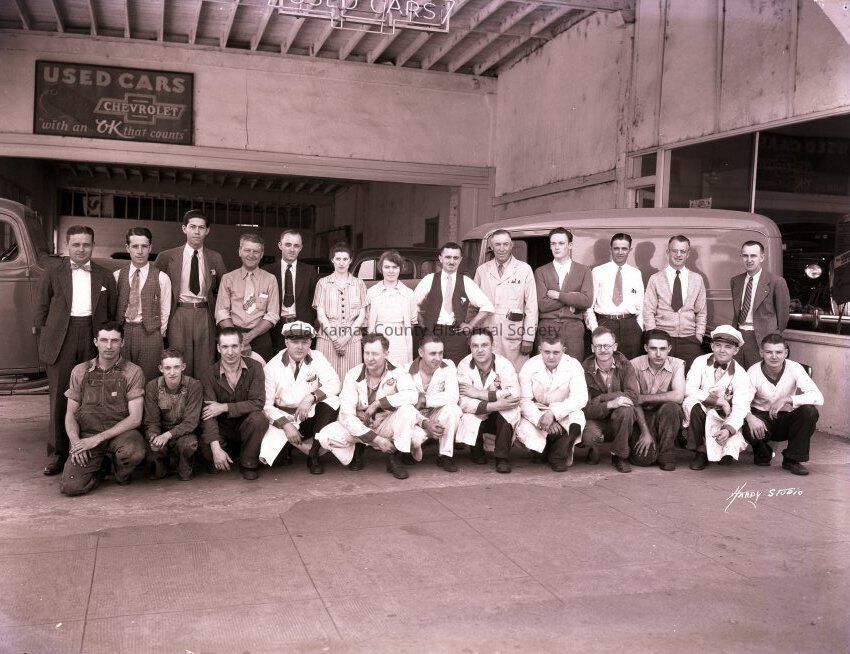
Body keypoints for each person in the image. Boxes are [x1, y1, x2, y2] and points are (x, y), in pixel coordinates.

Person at [36, 225, 117, 476]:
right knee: (60, 398)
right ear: (67, 246)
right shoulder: (52, 273)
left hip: (93, 336)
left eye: (86, 244)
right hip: (62, 338)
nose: (81, 249)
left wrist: (104, 342)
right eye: (76, 244)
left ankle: (95, 453)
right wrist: (47, 343)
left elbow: (112, 312)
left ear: (93, 245)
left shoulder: (105, 276)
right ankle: (57, 455)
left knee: (95, 396)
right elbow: (41, 311)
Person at [316, 333, 421, 479]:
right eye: (367, 353)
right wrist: (376, 439)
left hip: (385, 423)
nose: (370, 358)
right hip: (360, 424)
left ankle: (395, 457)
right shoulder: (353, 374)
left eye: (375, 354)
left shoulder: (398, 371)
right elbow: (346, 414)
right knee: (325, 437)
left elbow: (412, 395)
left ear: (386, 354)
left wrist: (379, 403)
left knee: (411, 420)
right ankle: (356, 451)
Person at [59, 322, 146, 496]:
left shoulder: (133, 372)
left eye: (115, 341)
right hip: (88, 435)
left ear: (122, 343)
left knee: (133, 452)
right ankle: (101, 468)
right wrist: (75, 442)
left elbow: (135, 418)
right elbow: (71, 414)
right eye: (104, 340)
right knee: (71, 487)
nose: (109, 346)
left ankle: (121, 473)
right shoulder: (80, 371)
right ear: (95, 342)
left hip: (120, 434)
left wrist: (99, 438)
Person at [260, 321, 340, 475]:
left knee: (333, 401)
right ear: (286, 342)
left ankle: (314, 453)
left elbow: (334, 383)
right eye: (295, 342)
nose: (300, 347)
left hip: (309, 414)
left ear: (310, 343)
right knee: (276, 461)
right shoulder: (272, 367)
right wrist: (286, 425)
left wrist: (311, 397)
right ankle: (292, 446)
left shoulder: (317, 357)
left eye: (305, 342)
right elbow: (266, 405)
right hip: (285, 416)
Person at [155, 209, 228, 380]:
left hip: (205, 312)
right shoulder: (166, 257)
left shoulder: (215, 257)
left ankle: (204, 395)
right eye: (192, 227)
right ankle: (181, 396)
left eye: (201, 227)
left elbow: (225, 289)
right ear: (184, 228)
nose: (197, 231)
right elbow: (154, 287)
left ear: (207, 230)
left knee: (206, 362)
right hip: (178, 312)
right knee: (179, 360)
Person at [743, 333, 823, 476]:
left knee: (809, 412)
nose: (774, 356)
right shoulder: (753, 372)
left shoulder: (795, 368)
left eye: (779, 352)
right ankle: (762, 450)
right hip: (762, 418)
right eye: (769, 352)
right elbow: (741, 402)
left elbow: (818, 397)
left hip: (786, 418)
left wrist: (788, 399)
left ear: (786, 353)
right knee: (749, 428)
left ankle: (792, 459)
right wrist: (750, 418)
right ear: (761, 353)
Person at [199, 327, 268, 480]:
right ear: (218, 348)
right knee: (207, 452)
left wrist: (224, 407)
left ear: (241, 346)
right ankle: (228, 452)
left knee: (259, 419)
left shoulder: (255, 367)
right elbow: (208, 414)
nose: (230, 352)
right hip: (223, 428)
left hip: (246, 424)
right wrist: (216, 448)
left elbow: (258, 403)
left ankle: (248, 462)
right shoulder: (208, 374)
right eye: (225, 347)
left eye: (234, 346)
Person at [684, 325, 754, 471]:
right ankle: (700, 451)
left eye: (728, 347)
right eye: (718, 345)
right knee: (692, 405)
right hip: (701, 408)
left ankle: (723, 447)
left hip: (722, 415)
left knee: (727, 448)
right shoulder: (700, 361)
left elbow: (741, 407)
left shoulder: (741, 374)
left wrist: (728, 429)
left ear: (736, 350)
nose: (722, 350)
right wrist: (719, 401)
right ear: (712, 346)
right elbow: (689, 389)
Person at [413, 242, 494, 364]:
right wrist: (423, 325)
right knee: (431, 368)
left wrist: (471, 325)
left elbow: (487, 306)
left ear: (460, 260)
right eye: (448, 257)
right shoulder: (429, 279)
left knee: (456, 369)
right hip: (432, 333)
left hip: (457, 337)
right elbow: (412, 305)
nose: (451, 261)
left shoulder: (466, 282)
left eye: (455, 258)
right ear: (440, 258)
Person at [517, 334, 587, 472]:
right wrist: (540, 418)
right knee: (525, 429)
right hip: (537, 410)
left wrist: (554, 414)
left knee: (577, 418)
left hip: (564, 410)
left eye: (556, 352)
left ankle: (558, 456)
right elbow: (524, 400)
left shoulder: (573, 365)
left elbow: (580, 397)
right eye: (547, 352)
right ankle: (543, 450)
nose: (551, 357)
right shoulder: (530, 365)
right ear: (540, 350)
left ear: (564, 350)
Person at [456, 328, 521, 473]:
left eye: (484, 345)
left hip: (498, 416)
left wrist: (479, 393)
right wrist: (495, 404)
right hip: (479, 412)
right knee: (467, 415)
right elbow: (463, 400)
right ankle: (476, 449)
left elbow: (514, 394)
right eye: (475, 345)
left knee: (510, 411)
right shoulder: (464, 365)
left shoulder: (504, 364)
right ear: (470, 347)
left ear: (492, 345)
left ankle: (502, 458)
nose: (480, 350)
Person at [473, 229, 538, 371]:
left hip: (513, 333)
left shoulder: (524, 269)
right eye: (497, 244)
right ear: (491, 247)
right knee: (488, 373)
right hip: (488, 331)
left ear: (511, 245)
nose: (501, 249)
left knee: (514, 374)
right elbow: (473, 304)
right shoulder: (482, 270)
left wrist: (528, 337)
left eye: (505, 244)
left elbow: (531, 306)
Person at [114, 227, 171, 381]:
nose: (140, 251)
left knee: (148, 378)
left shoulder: (162, 278)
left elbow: (165, 310)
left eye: (144, 246)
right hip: (124, 331)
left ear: (150, 248)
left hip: (150, 334)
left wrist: (157, 332)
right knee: (121, 378)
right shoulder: (117, 276)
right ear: (127, 248)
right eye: (135, 246)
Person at [581, 326, 640, 473]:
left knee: (626, 410)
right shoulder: (584, 369)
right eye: (598, 346)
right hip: (596, 418)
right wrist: (611, 403)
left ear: (615, 346)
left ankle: (619, 456)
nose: (603, 350)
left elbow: (633, 396)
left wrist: (601, 398)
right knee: (589, 436)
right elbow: (585, 408)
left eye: (607, 345)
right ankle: (594, 449)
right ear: (592, 348)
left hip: (619, 417)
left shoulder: (625, 365)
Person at [643, 235, 707, 369]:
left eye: (682, 251)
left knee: (689, 378)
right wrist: (654, 337)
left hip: (689, 340)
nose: (678, 255)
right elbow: (648, 311)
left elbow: (701, 312)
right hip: (662, 340)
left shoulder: (697, 279)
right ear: (668, 252)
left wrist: (699, 335)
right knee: (662, 377)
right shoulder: (655, 279)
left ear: (688, 254)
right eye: (674, 251)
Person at [215, 233, 280, 360]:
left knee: (261, 371)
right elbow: (221, 312)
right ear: (240, 251)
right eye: (247, 250)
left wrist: (249, 336)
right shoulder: (228, 278)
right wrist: (237, 338)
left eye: (256, 251)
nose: (251, 255)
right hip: (231, 334)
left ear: (261, 254)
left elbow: (272, 314)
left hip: (260, 336)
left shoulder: (270, 279)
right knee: (230, 371)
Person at [629, 329, 685, 471]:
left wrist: (644, 398)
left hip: (665, 414)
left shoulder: (677, 364)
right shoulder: (634, 364)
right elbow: (635, 401)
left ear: (669, 349)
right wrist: (645, 433)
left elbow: (678, 396)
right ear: (646, 348)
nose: (658, 354)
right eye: (653, 348)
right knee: (642, 460)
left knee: (672, 407)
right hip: (642, 415)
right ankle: (653, 442)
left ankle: (667, 455)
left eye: (663, 349)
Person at [534, 227, 593, 361]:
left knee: (573, 365)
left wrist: (558, 295)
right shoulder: (541, 272)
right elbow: (542, 305)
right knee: (545, 365)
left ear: (570, 245)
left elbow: (586, 300)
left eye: (561, 243)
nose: (556, 247)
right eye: (553, 244)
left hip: (573, 328)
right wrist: (573, 298)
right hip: (547, 326)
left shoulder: (584, 271)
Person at [143, 347, 202, 481]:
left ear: (183, 367)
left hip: (184, 433)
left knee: (188, 445)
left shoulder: (194, 385)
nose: (172, 372)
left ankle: (182, 464)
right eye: (167, 368)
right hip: (161, 432)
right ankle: (162, 464)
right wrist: (153, 436)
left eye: (176, 367)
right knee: (152, 449)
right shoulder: (152, 386)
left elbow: (191, 422)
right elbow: (152, 421)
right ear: (161, 368)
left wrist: (168, 435)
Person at [731, 240, 791, 368]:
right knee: (738, 375)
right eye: (745, 255)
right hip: (738, 337)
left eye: (753, 256)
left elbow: (783, 318)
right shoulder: (736, 281)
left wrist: (771, 338)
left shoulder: (776, 282)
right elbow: (737, 313)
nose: (749, 260)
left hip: (761, 339)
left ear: (762, 257)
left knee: (758, 375)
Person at [313, 242, 368, 382]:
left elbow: (362, 315)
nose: (341, 263)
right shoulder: (323, 283)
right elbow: (321, 315)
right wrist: (335, 339)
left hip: (352, 337)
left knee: (351, 378)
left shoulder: (359, 284)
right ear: (332, 260)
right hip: (327, 337)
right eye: (338, 259)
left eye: (345, 259)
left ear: (350, 260)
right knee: (325, 378)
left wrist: (345, 338)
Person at [408, 335, 463, 472]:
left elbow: (453, 396)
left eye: (440, 353)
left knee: (453, 410)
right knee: (415, 439)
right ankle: (406, 450)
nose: (438, 358)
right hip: (416, 418)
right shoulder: (406, 370)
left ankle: (445, 455)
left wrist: (425, 400)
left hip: (436, 413)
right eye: (432, 353)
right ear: (421, 352)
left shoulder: (448, 366)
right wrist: (424, 422)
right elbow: (406, 403)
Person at [586, 233, 644, 360]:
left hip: (630, 326)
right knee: (606, 363)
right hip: (605, 323)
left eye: (624, 248)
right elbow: (589, 305)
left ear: (630, 250)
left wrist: (639, 328)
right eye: (616, 248)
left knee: (631, 364)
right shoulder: (598, 272)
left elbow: (641, 305)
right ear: (610, 249)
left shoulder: (635, 273)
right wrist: (595, 328)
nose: (620, 252)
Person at [262, 229, 318, 354]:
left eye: (296, 245)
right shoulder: (267, 271)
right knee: (277, 363)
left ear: (301, 248)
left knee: (302, 364)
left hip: (303, 328)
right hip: (275, 329)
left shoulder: (310, 271)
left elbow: (316, 302)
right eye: (288, 245)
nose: (292, 249)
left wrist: (310, 323)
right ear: (280, 245)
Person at [366, 250, 416, 366]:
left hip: (400, 341)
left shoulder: (408, 293)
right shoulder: (372, 292)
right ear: (381, 268)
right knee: (378, 368)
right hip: (377, 339)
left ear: (400, 269)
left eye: (395, 267)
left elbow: (412, 321)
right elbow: (367, 319)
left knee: (399, 370)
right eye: (387, 267)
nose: (391, 271)